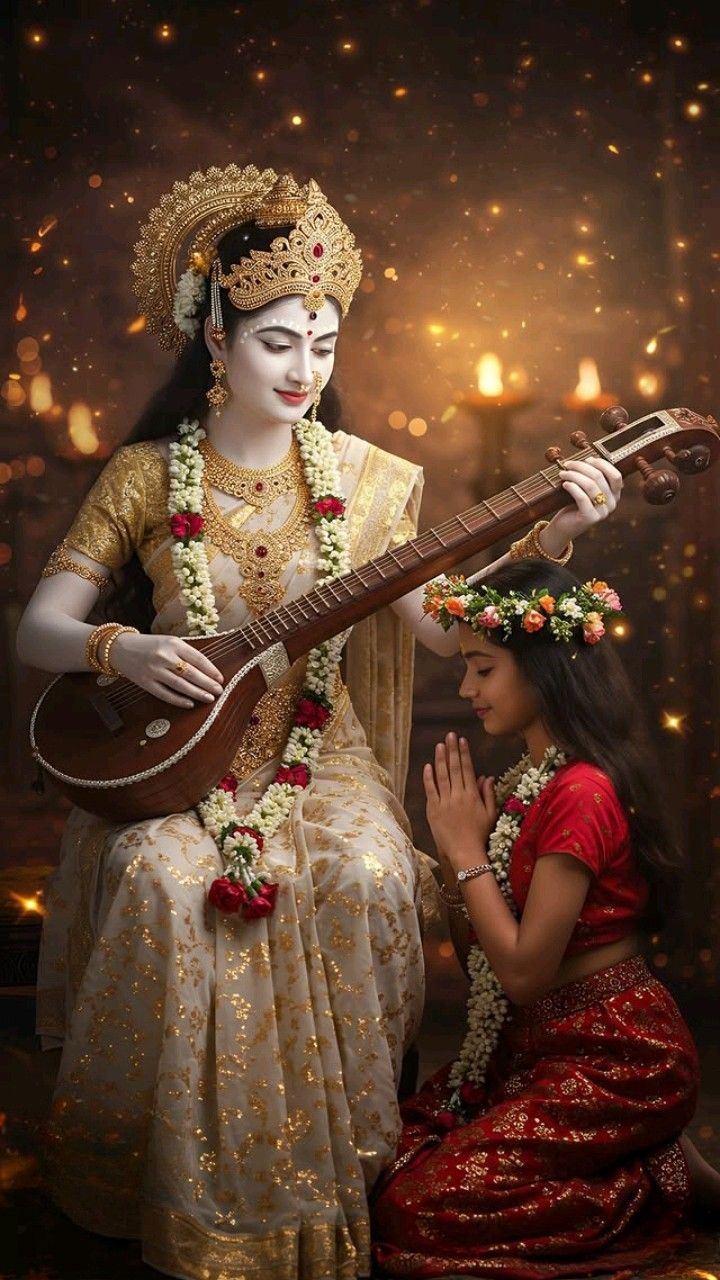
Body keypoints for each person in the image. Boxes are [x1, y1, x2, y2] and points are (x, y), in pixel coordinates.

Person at [17, 164, 623, 1280]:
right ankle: (168, 1183)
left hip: (318, 744)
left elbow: (444, 631)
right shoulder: (150, 475)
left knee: (367, 873)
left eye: (325, 344)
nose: (306, 371)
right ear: (215, 336)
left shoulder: (368, 480)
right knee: (157, 878)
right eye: (278, 343)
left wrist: (555, 536)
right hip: (178, 756)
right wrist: (128, 646)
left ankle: (333, 1171)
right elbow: (37, 628)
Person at [372, 559, 720, 1278]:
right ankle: (646, 1153)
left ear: (544, 667)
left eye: (482, 668)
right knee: (379, 1161)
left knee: (422, 1208)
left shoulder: (581, 792)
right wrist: (466, 853)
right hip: (533, 1050)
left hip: (614, 1052)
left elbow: (525, 973)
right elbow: (486, 960)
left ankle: (654, 1180)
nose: (466, 689)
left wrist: (465, 852)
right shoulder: (535, 781)